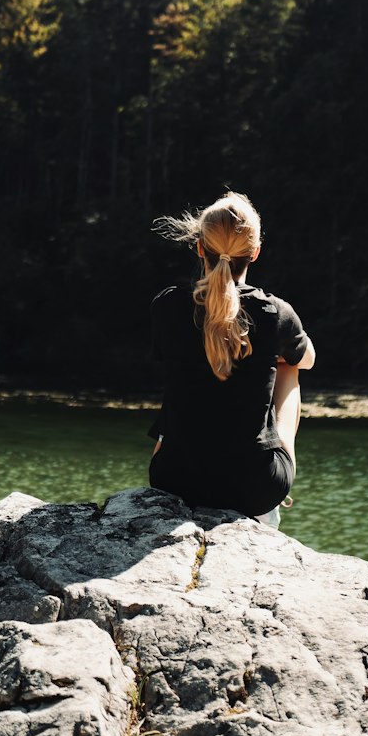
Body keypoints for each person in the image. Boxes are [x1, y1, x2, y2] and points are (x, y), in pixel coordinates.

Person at [147, 190, 315, 526]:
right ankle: (270, 498)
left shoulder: (167, 305)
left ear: (199, 247)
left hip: (174, 479)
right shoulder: (274, 313)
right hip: (254, 487)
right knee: (290, 368)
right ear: (254, 253)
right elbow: (308, 358)